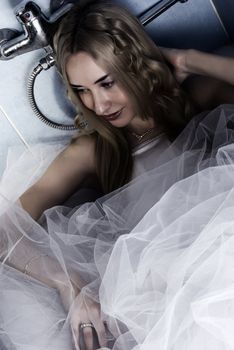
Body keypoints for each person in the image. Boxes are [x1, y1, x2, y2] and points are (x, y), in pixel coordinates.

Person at [0, 1, 234, 349]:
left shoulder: (197, 101)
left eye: (106, 82)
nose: (98, 104)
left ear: (133, 64)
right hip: (161, 299)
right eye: (82, 91)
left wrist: (188, 60)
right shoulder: (94, 151)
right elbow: (6, 233)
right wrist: (70, 284)